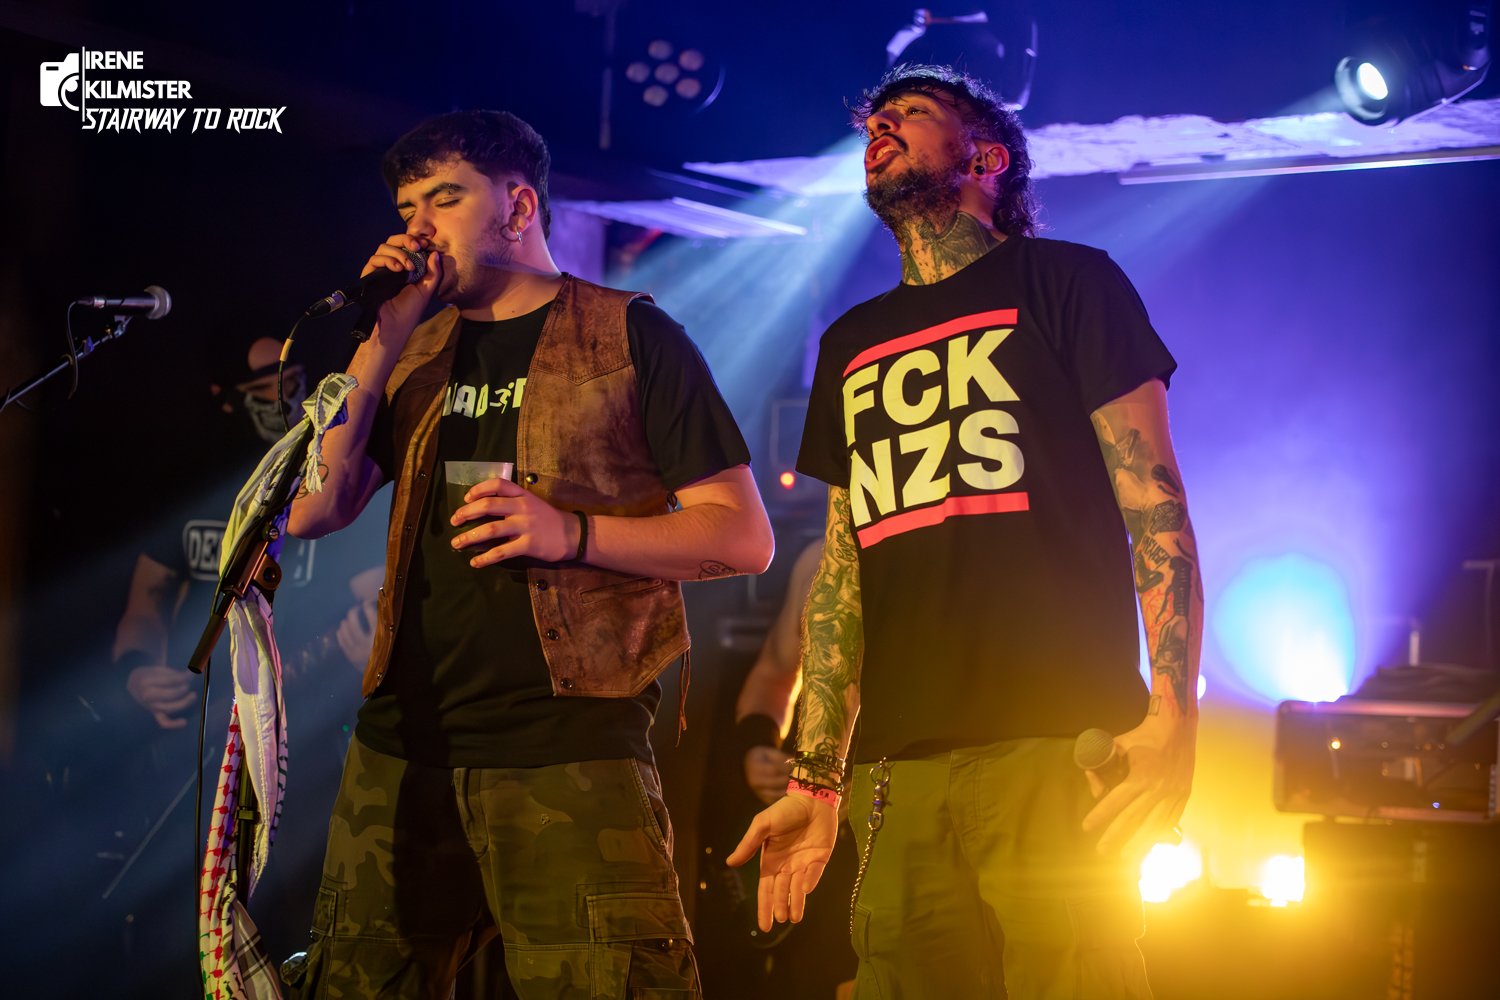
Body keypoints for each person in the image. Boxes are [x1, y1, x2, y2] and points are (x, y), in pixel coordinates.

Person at [728, 64, 1202, 999]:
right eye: (873, 120)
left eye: (910, 114)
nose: (881, 128)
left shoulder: (1067, 281)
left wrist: (1174, 715)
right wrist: (817, 776)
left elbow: (1155, 504)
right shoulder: (851, 342)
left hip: (1058, 741)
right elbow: (841, 574)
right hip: (896, 767)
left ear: (985, 159)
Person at [284, 109, 773, 998]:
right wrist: (383, 334)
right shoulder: (411, 354)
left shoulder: (630, 335)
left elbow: (743, 536)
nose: (417, 227)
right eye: (406, 208)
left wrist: (570, 533)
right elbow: (313, 508)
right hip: (401, 749)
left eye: (444, 199)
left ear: (517, 207)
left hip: (569, 750)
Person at [107, 337, 383, 995]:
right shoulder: (193, 489)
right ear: (226, 397)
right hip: (199, 745)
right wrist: (141, 673)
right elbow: (144, 606)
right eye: (266, 386)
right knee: (186, 922)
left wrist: (368, 644)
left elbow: (380, 596)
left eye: (293, 379)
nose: (284, 395)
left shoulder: (322, 482)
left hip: (302, 743)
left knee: (296, 912)